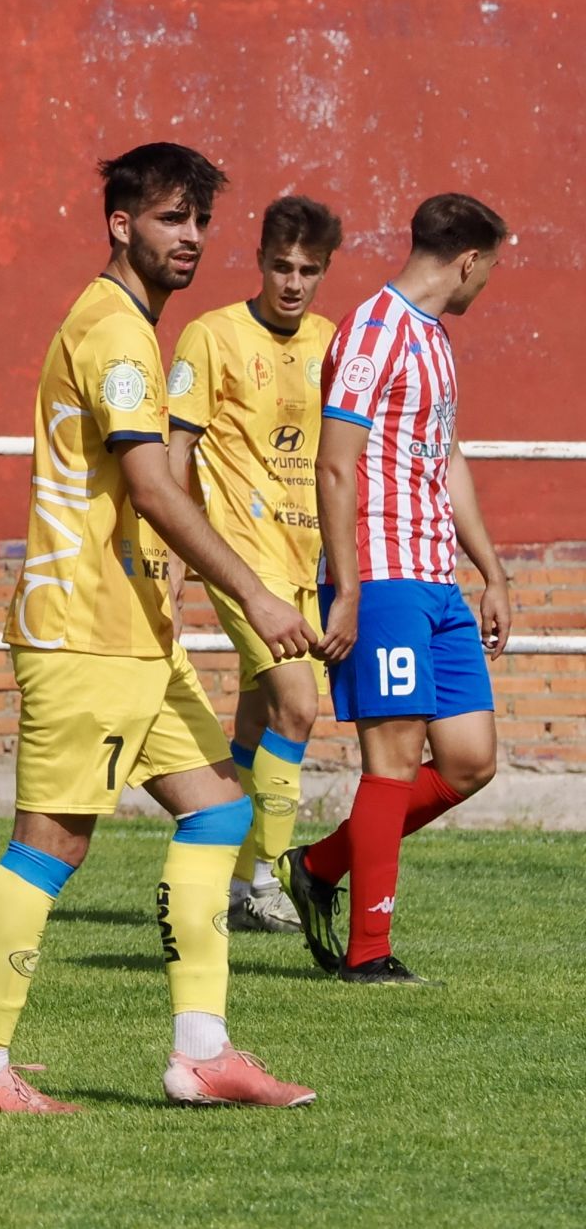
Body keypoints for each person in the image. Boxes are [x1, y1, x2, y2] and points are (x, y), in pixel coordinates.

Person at [0, 143, 317, 1115]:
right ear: (120, 224)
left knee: (220, 808)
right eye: (169, 219)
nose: (190, 238)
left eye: (199, 221)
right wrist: (260, 596)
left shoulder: (142, 331)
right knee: (51, 845)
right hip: (82, 632)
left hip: (139, 637)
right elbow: (152, 487)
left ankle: (202, 1055)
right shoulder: (112, 333)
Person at [277, 193, 512, 985]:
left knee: (471, 759)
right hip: (380, 578)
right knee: (394, 760)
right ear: (469, 260)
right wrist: (344, 587)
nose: (487, 283)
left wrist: (492, 569)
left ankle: (317, 864)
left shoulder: (436, 341)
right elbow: (334, 463)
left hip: (437, 580)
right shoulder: (373, 333)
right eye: (491, 268)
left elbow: (448, 461)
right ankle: (367, 956)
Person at [166, 197, 340, 936]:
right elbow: (171, 459)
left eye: (308, 270)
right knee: (299, 706)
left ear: (324, 269)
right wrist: (168, 575)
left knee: (262, 716)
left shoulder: (335, 343)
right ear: (259, 258)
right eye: (280, 265)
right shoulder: (211, 337)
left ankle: (233, 881)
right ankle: (269, 875)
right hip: (242, 560)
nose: (292, 282)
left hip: (308, 560)